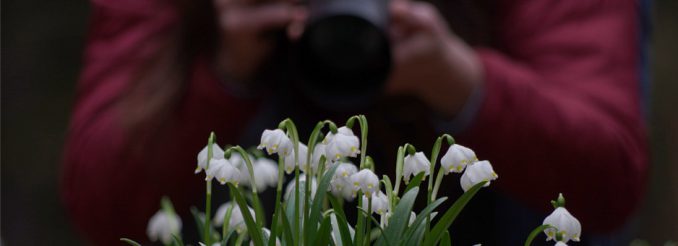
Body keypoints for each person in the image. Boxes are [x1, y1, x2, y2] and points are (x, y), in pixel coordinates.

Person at [62, 0, 649, 244]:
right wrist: (224, 71)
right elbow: (101, 204)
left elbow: (609, 174)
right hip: (247, 144)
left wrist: (462, 80)